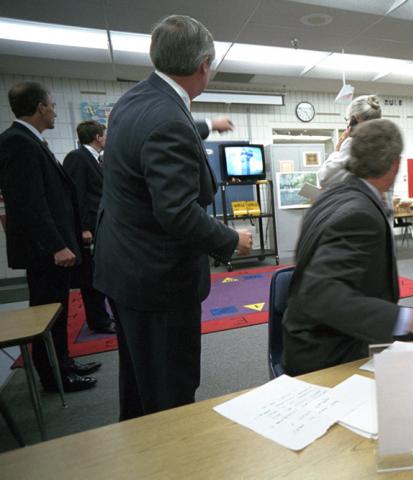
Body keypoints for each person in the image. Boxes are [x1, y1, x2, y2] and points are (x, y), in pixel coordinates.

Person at [93, 15, 252, 420]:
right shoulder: (168, 120)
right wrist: (231, 240)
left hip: (124, 268)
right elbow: (178, 212)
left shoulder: (134, 101)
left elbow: (162, 133)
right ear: (204, 65)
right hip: (158, 279)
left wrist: (207, 125)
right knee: (170, 394)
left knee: (139, 383)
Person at [282, 119, 413, 376]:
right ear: (395, 164)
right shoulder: (360, 214)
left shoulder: (330, 195)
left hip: (318, 340)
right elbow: (321, 295)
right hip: (330, 358)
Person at [0, 82, 99, 392]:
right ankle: (53, 376)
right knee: (47, 313)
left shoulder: (32, 141)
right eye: (53, 105)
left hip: (52, 247)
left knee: (57, 310)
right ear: (40, 107)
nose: (55, 110)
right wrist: (57, 245)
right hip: (45, 251)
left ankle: (64, 363)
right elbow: (28, 202)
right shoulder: (17, 143)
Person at [63, 121, 115, 334]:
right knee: (92, 278)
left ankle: (104, 317)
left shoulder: (98, 160)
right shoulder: (78, 158)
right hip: (90, 230)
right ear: (97, 137)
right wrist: (84, 228)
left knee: (103, 273)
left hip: (102, 227)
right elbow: (77, 196)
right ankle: (98, 321)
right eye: (105, 134)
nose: (107, 137)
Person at [318, 94, 381, 188]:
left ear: (353, 120)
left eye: (347, 120)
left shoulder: (353, 145)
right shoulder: (384, 146)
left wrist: (337, 151)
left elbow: (323, 179)